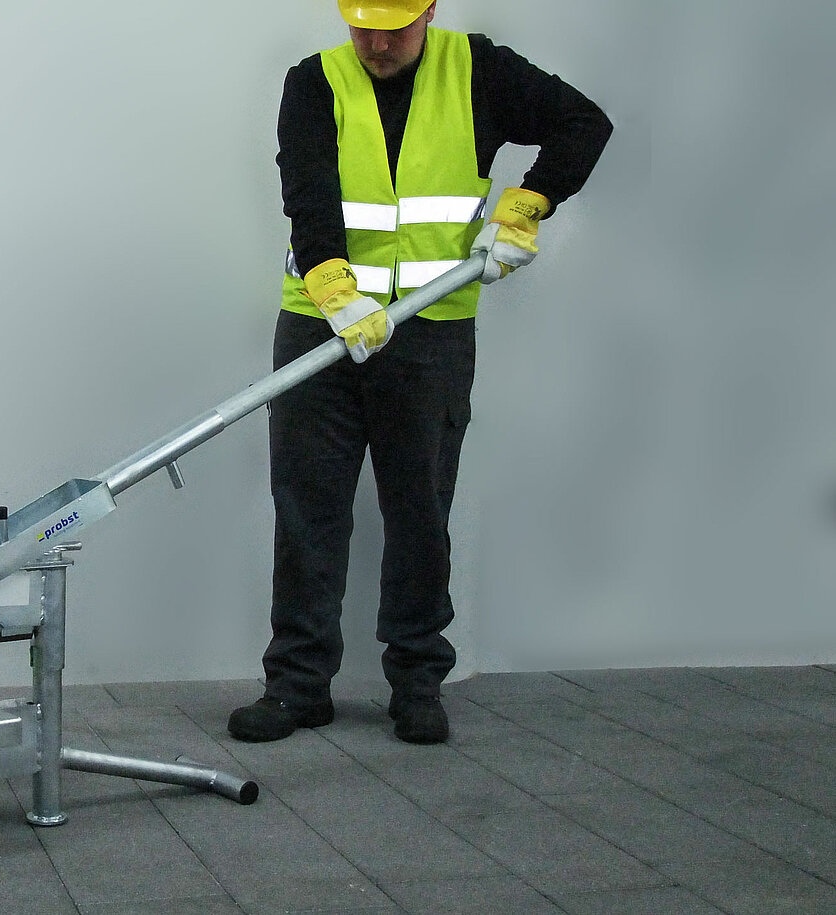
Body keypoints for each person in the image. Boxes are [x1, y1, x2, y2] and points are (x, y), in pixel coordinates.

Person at [228, 0, 612, 744]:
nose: (375, 43)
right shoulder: (315, 81)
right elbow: (308, 191)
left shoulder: (479, 71)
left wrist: (527, 205)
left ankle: (416, 682)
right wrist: (333, 286)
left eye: (393, 27)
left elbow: (583, 123)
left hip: (429, 331)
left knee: (419, 510)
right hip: (321, 324)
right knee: (307, 507)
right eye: (361, 25)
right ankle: (297, 685)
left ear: (429, 9)